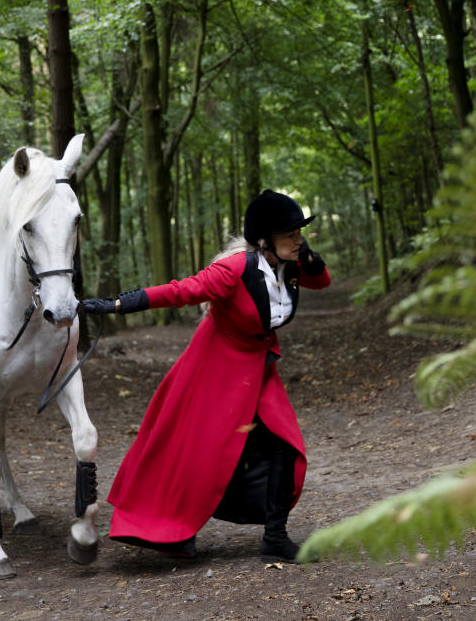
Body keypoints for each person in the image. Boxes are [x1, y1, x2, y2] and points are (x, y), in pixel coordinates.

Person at [80, 189, 331, 563]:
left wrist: (310, 260)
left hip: (257, 369)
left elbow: (321, 281)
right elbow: (181, 291)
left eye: (299, 233)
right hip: (214, 365)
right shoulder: (235, 269)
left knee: (286, 444)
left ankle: (275, 538)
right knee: (194, 450)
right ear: (264, 240)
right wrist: (116, 304)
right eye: (290, 234)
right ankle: (166, 528)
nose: (299, 240)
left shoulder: (291, 263)